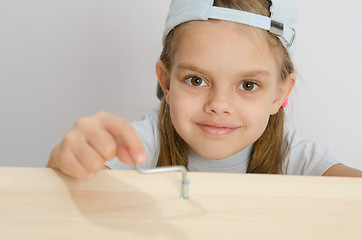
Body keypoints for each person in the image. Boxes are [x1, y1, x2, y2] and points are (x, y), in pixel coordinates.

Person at [47, 0, 362, 179]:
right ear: (166, 82)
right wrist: (67, 162)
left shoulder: (295, 157)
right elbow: (62, 194)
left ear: (280, 93)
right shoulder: (142, 145)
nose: (219, 104)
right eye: (196, 80)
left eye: (248, 85)